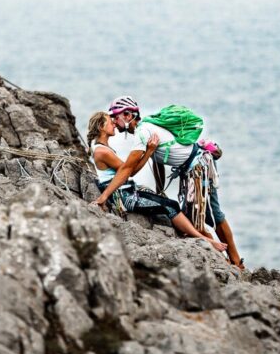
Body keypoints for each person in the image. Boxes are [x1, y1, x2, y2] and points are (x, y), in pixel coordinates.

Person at [104, 96, 245, 270]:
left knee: (210, 215)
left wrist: (104, 197)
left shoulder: (143, 131)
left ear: (127, 115)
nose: (113, 121)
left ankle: (234, 262)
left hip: (198, 167)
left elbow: (127, 170)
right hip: (192, 169)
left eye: (115, 116)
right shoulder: (147, 128)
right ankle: (225, 258)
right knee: (197, 217)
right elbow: (157, 161)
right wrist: (159, 187)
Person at [87, 111, 227, 253]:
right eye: (109, 121)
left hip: (126, 190)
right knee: (170, 206)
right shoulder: (102, 152)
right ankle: (204, 239)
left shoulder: (102, 148)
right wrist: (149, 151)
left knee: (169, 202)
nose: (114, 123)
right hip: (123, 197)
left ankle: (193, 233)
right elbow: (129, 171)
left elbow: (126, 170)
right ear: (100, 126)